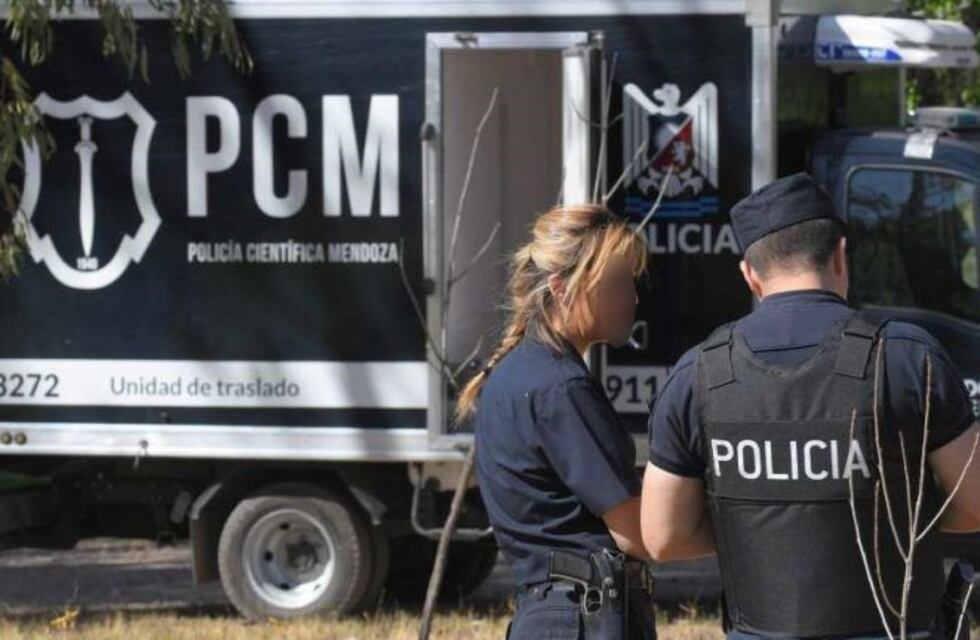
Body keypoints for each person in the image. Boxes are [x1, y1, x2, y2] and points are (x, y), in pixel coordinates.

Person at [640, 173, 980, 639]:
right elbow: (976, 505)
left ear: (750, 275)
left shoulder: (698, 375)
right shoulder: (906, 358)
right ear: (840, 253)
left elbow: (663, 538)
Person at [456, 204, 656, 640]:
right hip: (585, 619)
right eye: (618, 282)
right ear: (562, 287)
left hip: (554, 616)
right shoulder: (561, 388)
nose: (633, 298)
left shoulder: (512, 372)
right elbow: (640, 536)